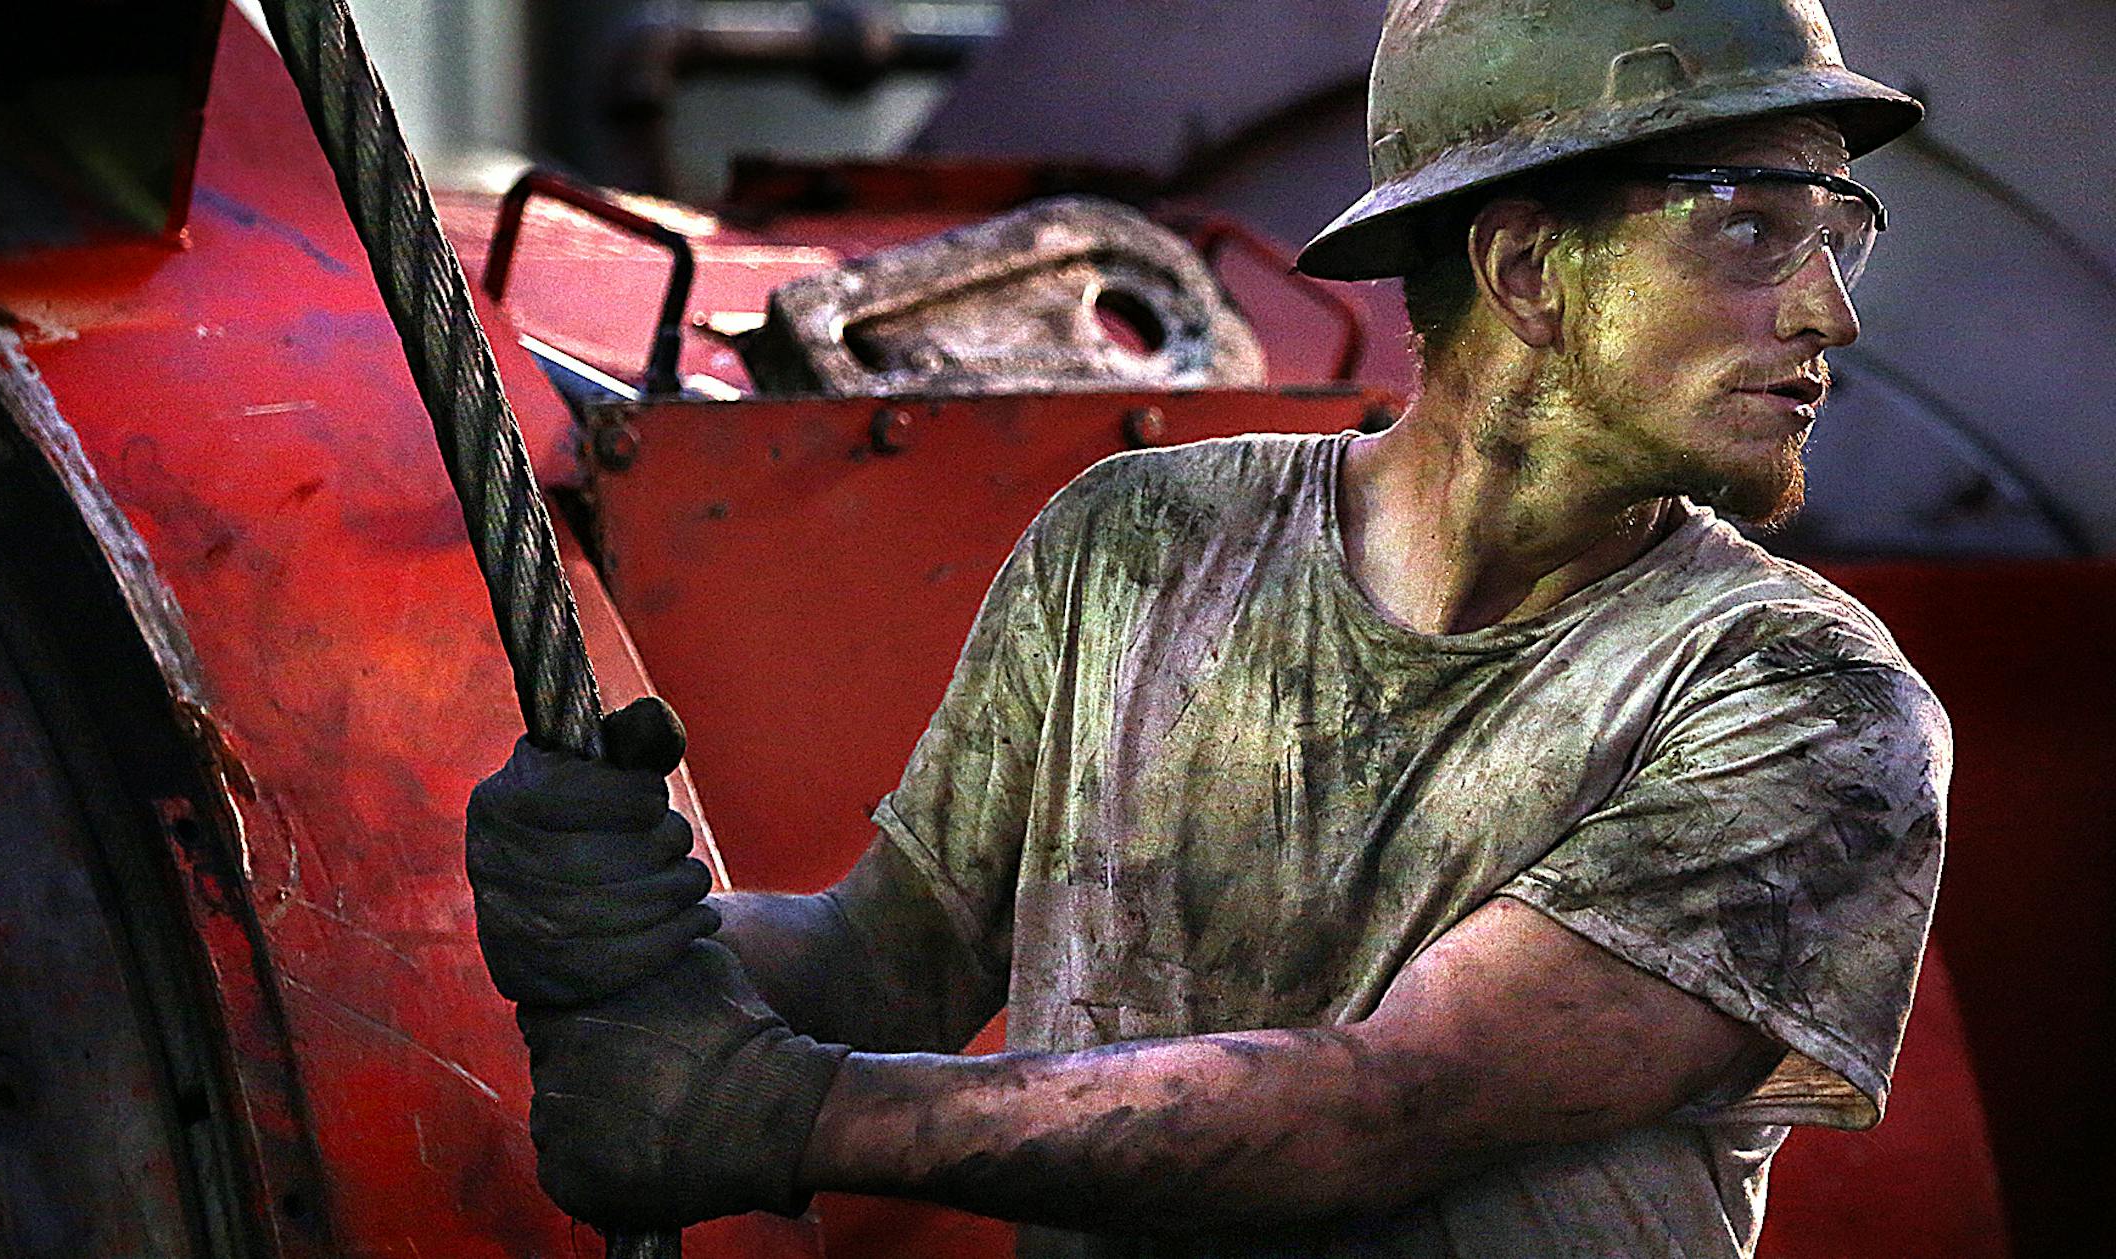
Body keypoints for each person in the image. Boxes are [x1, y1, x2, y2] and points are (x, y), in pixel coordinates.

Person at [465, 1, 1952, 1254]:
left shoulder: (1808, 704)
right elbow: (884, 964)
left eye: (1840, 234)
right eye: (1753, 227)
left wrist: (779, 1111)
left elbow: (1393, 1108)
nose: (1833, 313)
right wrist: (634, 928)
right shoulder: (1137, 544)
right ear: (1523, 273)